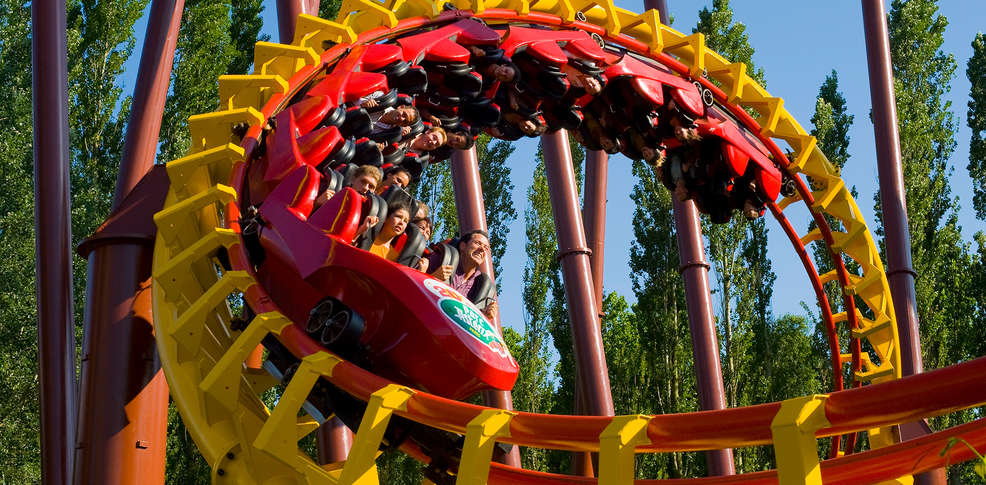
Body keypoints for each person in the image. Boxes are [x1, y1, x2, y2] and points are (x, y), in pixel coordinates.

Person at [449, 230, 497, 321]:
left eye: (486, 248)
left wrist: (486, 317)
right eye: (478, 243)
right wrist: (434, 276)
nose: (482, 249)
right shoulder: (444, 260)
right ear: (463, 246)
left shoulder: (481, 286)